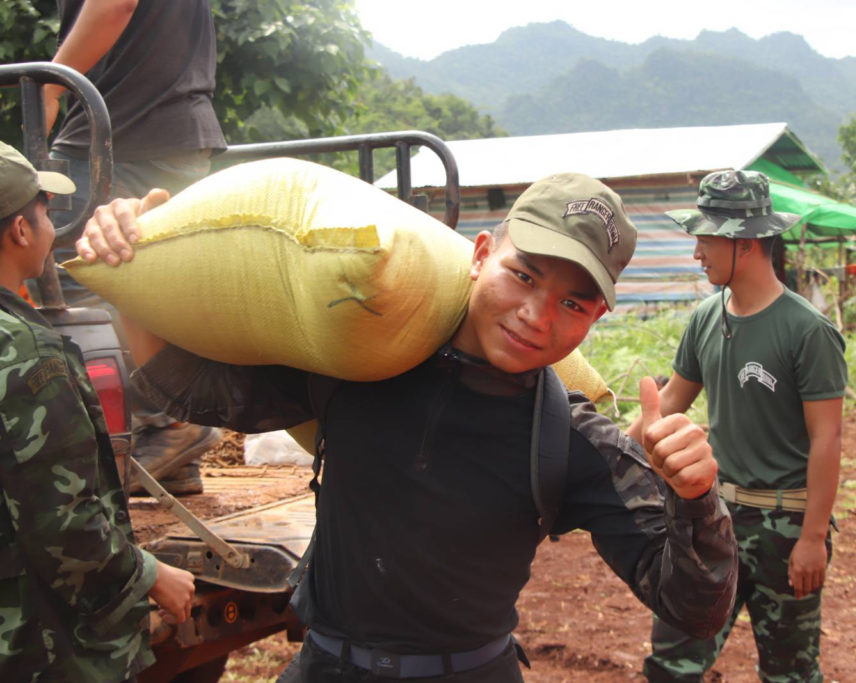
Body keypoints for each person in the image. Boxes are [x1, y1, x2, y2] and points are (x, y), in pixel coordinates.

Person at [77, 172, 739, 682]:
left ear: (592, 321)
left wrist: (695, 497)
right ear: (480, 254)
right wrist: (128, 252)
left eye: (571, 302)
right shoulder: (358, 357)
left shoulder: (570, 436)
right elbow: (196, 388)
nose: (538, 315)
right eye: (523, 274)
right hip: (323, 667)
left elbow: (694, 607)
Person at [628, 170, 847, 682]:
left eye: (706, 239)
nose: (697, 253)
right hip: (712, 519)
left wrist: (813, 537)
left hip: (784, 527)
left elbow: (827, 439)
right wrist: (604, 450)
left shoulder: (807, 332)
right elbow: (670, 403)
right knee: (672, 662)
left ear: (744, 243)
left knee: (789, 671)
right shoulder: (705, 317)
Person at [0, 141, 195, 681]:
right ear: (20, 231)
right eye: (43, 213)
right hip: (38, 650)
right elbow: (63, 523)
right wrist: (151, 574)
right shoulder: (24, 353)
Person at [41, 0, 228, 495]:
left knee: (69, 281)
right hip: (169, 125)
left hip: (123, 126)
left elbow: (114, 4)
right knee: (150, 282)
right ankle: (168, 446)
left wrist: (50, 85)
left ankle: (169, 422)